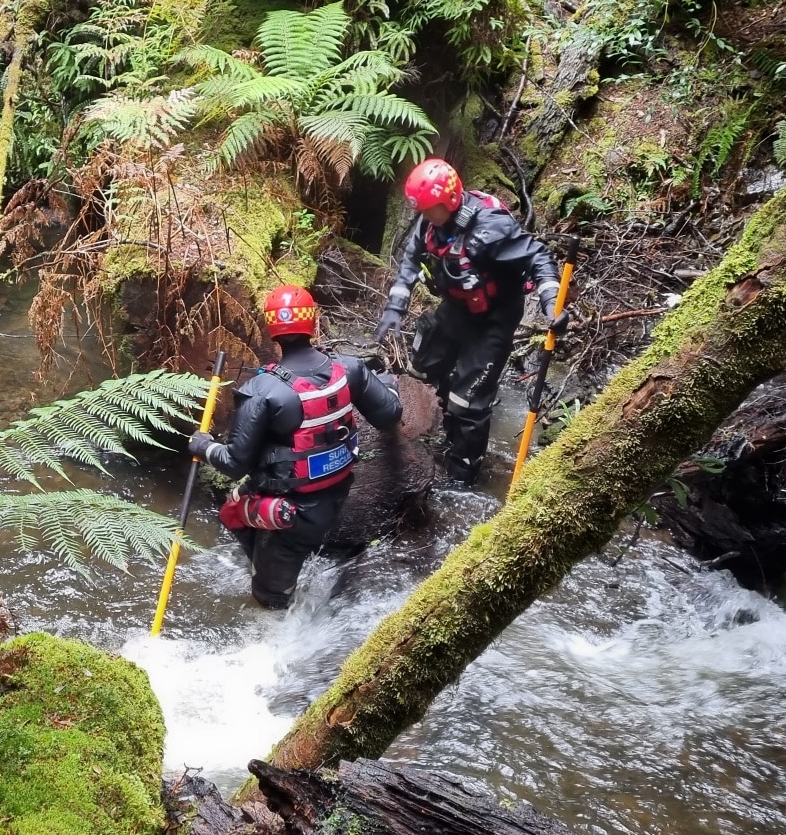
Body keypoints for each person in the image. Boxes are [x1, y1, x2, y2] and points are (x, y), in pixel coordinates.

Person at [190, 285, 403, 609]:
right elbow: (390, 415)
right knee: (233, 510)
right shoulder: (350, 369)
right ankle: (266, 558)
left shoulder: (261, 389)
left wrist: (203, 446)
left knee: (268, 597)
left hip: (291, 514)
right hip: (336, 492)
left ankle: (273, 590)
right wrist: (388, 385)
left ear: (272, 331)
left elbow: (234, 463)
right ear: (313, 323)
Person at [375, 157, 559, 489]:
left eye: (430, 209)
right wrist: (395, 307)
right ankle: (441, 433)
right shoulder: (430, 224)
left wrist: (550, 302)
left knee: (469, 402)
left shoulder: (491, 229)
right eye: (421, 210)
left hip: (493, 320)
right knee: (423, 369)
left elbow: (538, 256)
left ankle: (463, 477)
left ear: (449, 201)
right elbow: (411, 260)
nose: (424, 217)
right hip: (456, 309)